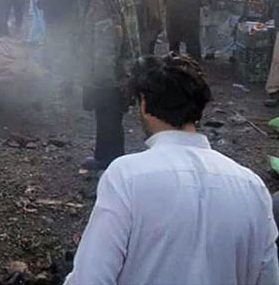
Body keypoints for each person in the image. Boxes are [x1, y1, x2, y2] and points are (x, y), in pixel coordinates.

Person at [65, 53, 279, 285]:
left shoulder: (125, 176)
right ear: (198, 108)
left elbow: (90, 278)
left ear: (144, 104)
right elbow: (267, 277)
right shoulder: (252, 186)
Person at [79, 0, 140, 173]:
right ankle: (106, 157)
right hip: (126, 64)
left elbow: (105, 40)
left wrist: (100, 79)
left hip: (110, 70)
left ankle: (109, 163)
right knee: (113, 118)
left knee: (107, 117)